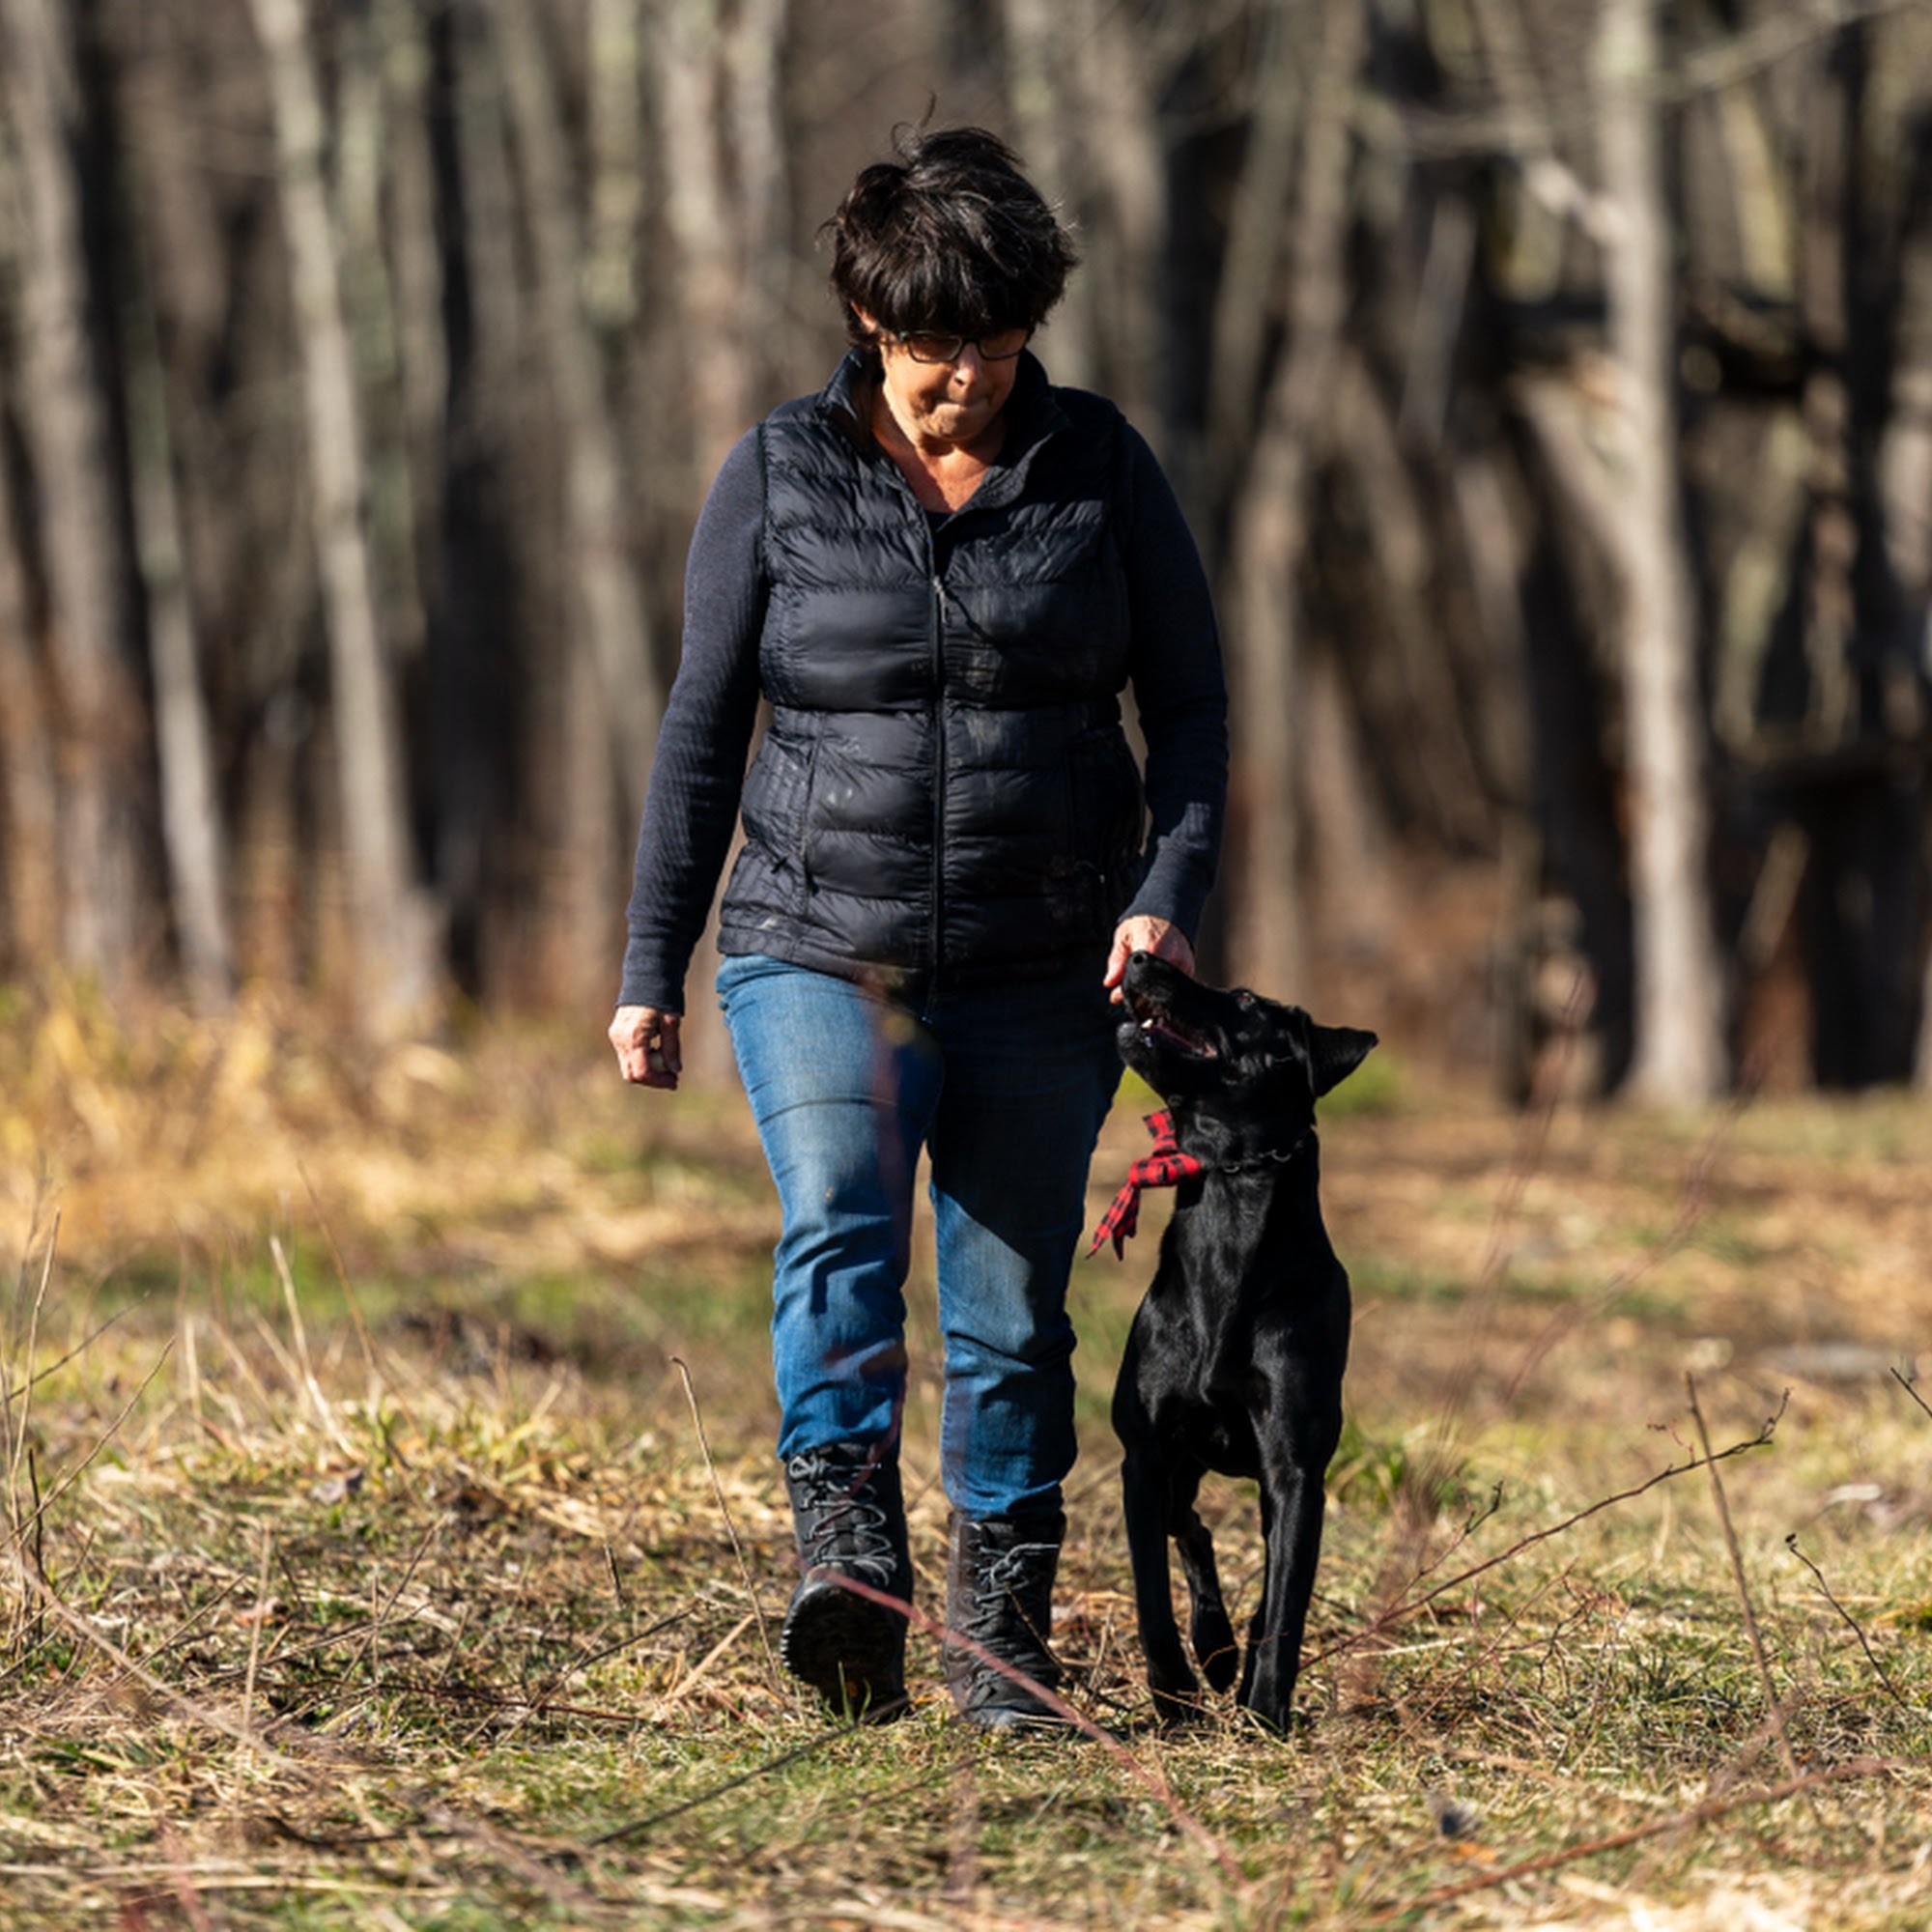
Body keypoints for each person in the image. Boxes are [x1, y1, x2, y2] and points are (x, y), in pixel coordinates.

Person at [610, 126, 1226, 1730]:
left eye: (1001, 345)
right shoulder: (779, 471)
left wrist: (1165, 899)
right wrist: (647, 968)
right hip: (820, 942)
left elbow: (1198, 720)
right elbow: (699, 734)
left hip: (1044, 960)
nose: (969, 380)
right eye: (935, 349)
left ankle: (1002, 1634)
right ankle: (851, 1570)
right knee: (838, 1220)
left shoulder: (1099, 467)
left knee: (1014, 1307)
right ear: (872, 326)